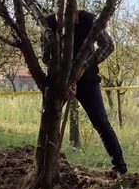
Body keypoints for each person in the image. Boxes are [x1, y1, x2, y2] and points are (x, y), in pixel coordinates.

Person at [42, 10, 127, 175]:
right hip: (59, 82)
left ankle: (119, 167)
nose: (65, 25)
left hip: (87, 80)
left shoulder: (90, 21)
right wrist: (63, 78)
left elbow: (108, 45)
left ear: (75, 12)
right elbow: (46, 57)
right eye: (61, 19)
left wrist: (83, 67)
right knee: (50, 120)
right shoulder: (47, 24)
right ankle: (45, 167)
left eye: (70, 19)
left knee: (101, 122)